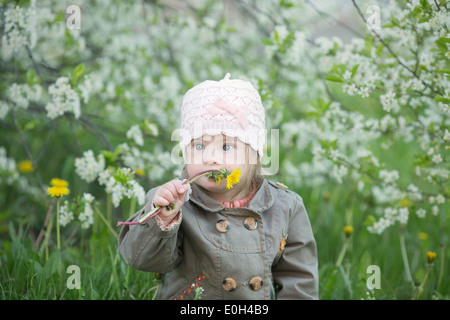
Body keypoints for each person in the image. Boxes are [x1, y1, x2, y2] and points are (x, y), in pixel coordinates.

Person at [118, 73, 319, 299]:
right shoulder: (176, 203)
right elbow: (139, 259)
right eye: (199, 146)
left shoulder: (284, 206)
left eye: (226, 147)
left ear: (254, 154)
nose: (210, 158)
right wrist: (162, 220)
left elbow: (299, 280)